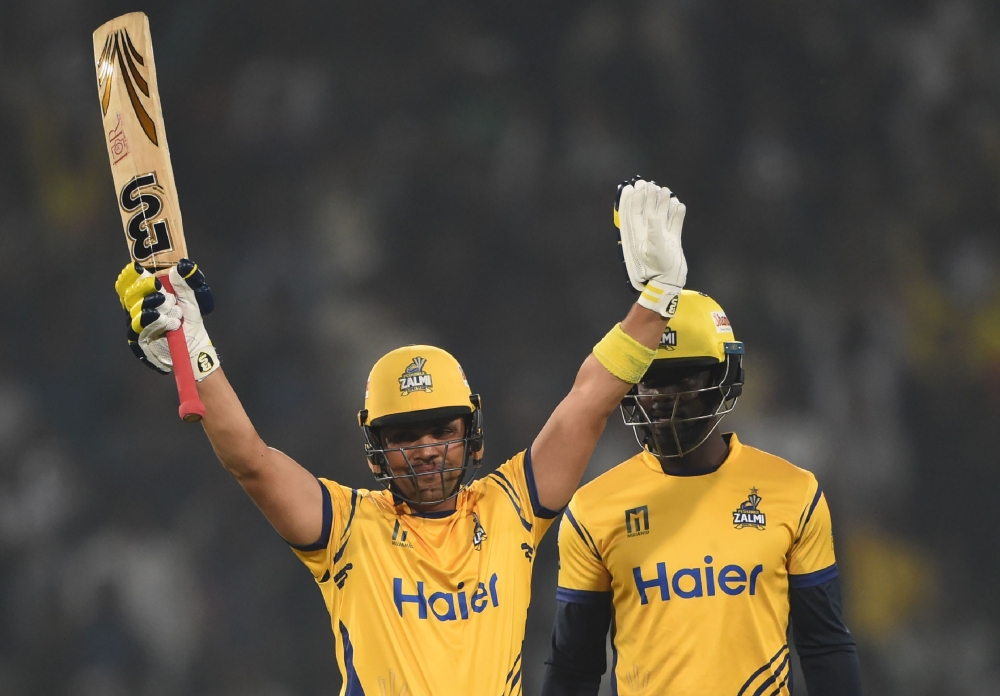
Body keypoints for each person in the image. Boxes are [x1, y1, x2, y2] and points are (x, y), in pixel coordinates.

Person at [113, 178, 687, 694]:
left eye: (441, 429)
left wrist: (656, 302)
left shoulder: (511, 507)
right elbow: (252, 462)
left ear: (472, 434)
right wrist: (197, 353)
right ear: (376, 450)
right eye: (406, 435)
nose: (427, 449)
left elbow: (587, 403)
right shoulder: (347, 528)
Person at [541, 290, 863, 695]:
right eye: (649, 381)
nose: (662, 397)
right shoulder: (593, 510)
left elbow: (825, 647)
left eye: (683, 379)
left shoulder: (795, 493)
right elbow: (574, 667)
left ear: (723, 377)